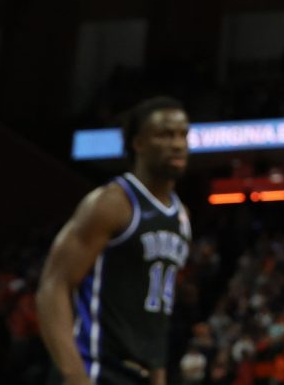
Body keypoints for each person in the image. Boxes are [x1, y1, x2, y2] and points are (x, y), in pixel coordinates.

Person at [38, 96, 194, 385]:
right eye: (165, 134)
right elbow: (53, 285)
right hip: (96, 368)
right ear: (138, 144)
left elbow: (156, 315)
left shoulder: (181, 217)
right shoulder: (113, 203)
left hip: (141, 374)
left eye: (183, 134)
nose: (178, 143)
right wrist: (74, 375)